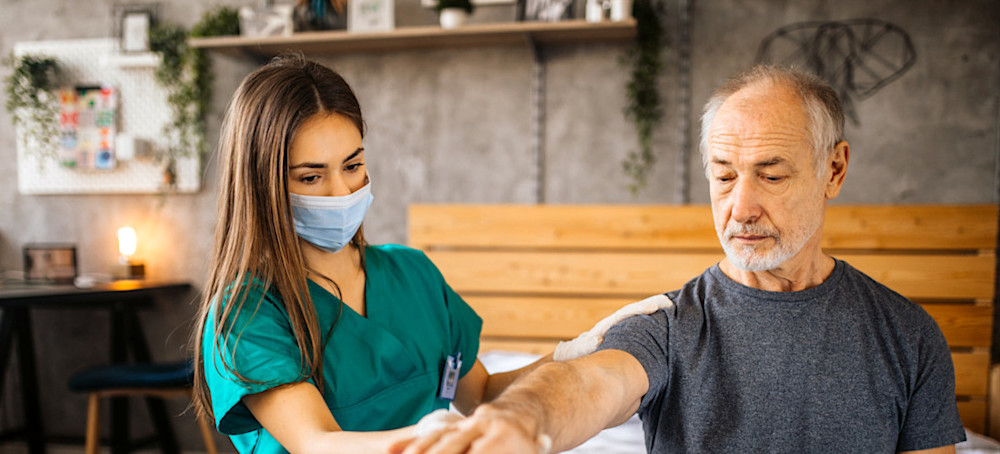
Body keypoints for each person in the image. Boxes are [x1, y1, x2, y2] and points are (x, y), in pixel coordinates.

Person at [393, 65, 966, 454]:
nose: (741, 208)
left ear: (833, 170)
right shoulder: (667, 324)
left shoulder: (909, 336)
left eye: (771, 175)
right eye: (722, 177)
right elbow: (591, 384)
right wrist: (522, 420)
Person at [190, 55, 545, 453]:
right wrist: (442, 439)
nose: (342, 192)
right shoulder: (248, 313)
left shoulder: (414, 274)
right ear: (262, 185)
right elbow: (320, 444)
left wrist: (573, 357)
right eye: (311, 176)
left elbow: (481, 393)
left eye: (353, 165)